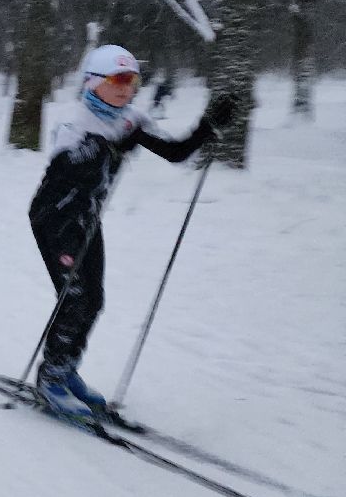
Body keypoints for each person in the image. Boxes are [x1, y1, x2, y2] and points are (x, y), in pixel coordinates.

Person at [27, 44, 233, 420]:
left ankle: (66, 368)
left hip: (87, 219)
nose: (127, 89)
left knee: (93, 300)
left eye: (133, 80)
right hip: (54, 220)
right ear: (93, 83)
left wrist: (210, 126)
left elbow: (176, 152)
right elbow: (65, 167)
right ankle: (51, 379)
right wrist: (103, 149)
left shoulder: (129, 120)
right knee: (75, 299)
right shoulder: (76, 123)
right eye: (118, 80)